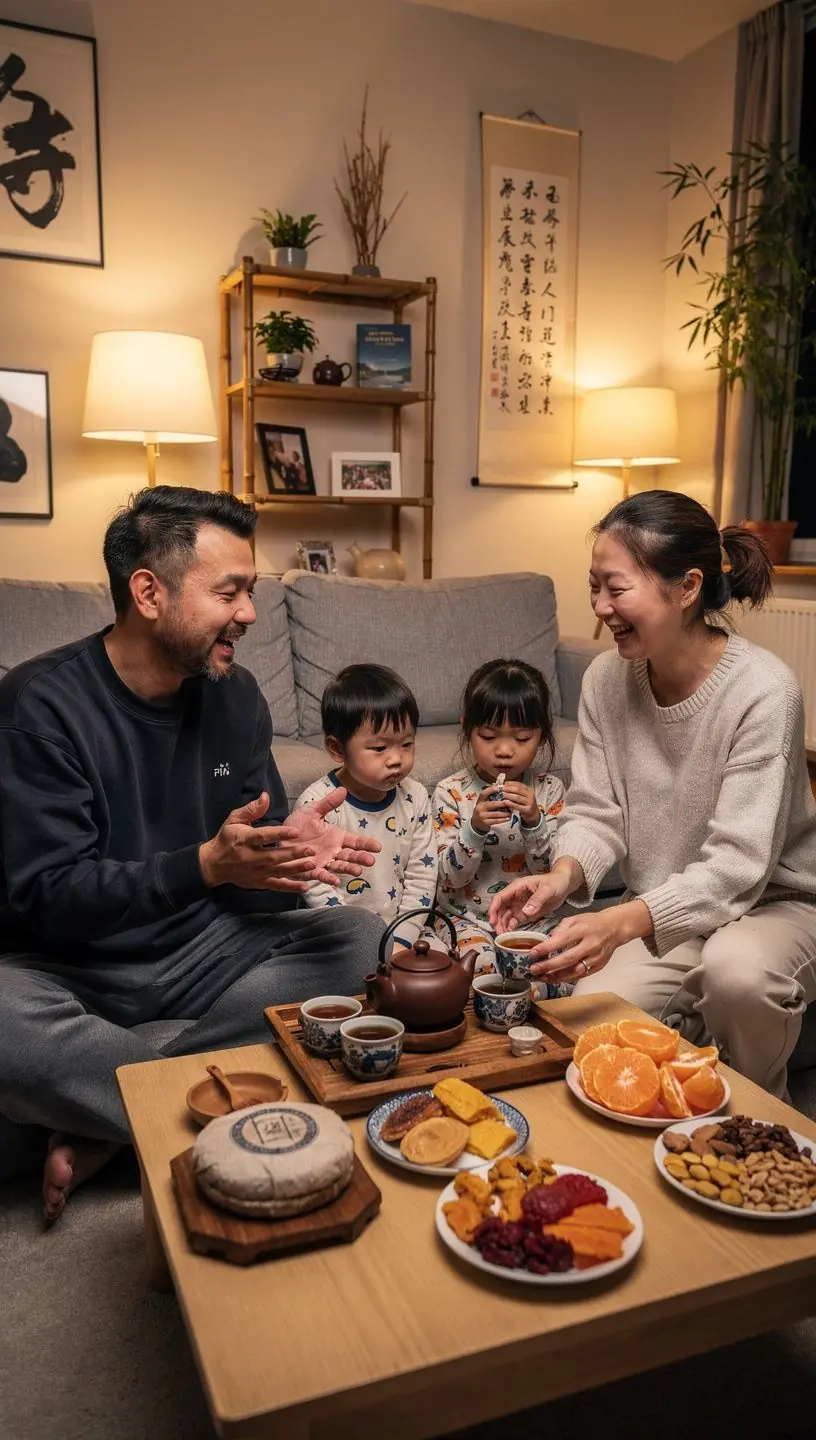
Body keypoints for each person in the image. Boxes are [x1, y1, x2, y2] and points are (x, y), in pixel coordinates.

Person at [0, 486, 383, 1220]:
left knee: (360, 943)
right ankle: (177, 1105)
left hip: (201, 949)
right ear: (148, 592)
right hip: (67, 965)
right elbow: (48, 898)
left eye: (251, 591)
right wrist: (204, 865)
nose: (248, 613)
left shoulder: (235, 696)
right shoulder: (39, 707)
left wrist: (285, 861)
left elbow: (251, 884)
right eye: (229, 591)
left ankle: (115, 1117)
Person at [490, 490, 816, 1098]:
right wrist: (561, 876)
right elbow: (595, 811)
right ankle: (699, 1024)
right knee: (592, 1022)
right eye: (594, 587)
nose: (600, 607)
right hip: (670, 906)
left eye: (616, 589)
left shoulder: (765, 691)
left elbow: (736, 868)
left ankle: (762, 1117)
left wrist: (618, 924)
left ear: (687, 587)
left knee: (737, 974)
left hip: (774, 903)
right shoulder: (605, 680)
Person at [433, 659, 565, 977]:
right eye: (489, 737)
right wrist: (475, 828)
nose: (504, 751)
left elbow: (554, 877)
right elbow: (447, 880)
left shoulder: (550, 790)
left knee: (564, 962)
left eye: (521, 739)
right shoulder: (450, 792)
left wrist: (534, 820)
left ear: (542, 736)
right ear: (468, 729)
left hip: (533, 918)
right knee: (483, 968)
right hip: (466, 918)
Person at [294, 664, 436, 948]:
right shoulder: (317, 805)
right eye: (380, 748)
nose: (396, 758)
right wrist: (358, 941)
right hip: (339, 936)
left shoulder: (415, 796)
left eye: (407, 744)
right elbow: (316, 885)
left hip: (404, 932)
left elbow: (422, 874)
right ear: (337, 749)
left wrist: (403, 939)